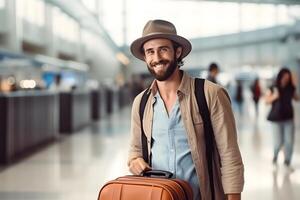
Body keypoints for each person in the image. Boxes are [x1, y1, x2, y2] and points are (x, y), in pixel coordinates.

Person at [127, 19, 244, 200]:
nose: (156, 58)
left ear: (178, 51)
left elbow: (230, 155)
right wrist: (135, 161)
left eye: (163, 49)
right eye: (150, 52)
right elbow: (135, 150)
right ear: (145, 57)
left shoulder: (210, 94)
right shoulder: (140, 103)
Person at [265, 68, 299, 172]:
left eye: (288, 78)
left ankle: (287, 162)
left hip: (288, 118)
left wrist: (295, 84)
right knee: (278, 143)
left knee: (289, 141)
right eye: (284, 77)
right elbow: (266, 101)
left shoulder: (291, 88)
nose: (286, 79)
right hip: (276, 119)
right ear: (280, 77)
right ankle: (275, 156)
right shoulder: (273, 87)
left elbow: (297, 98)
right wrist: (275, 96)